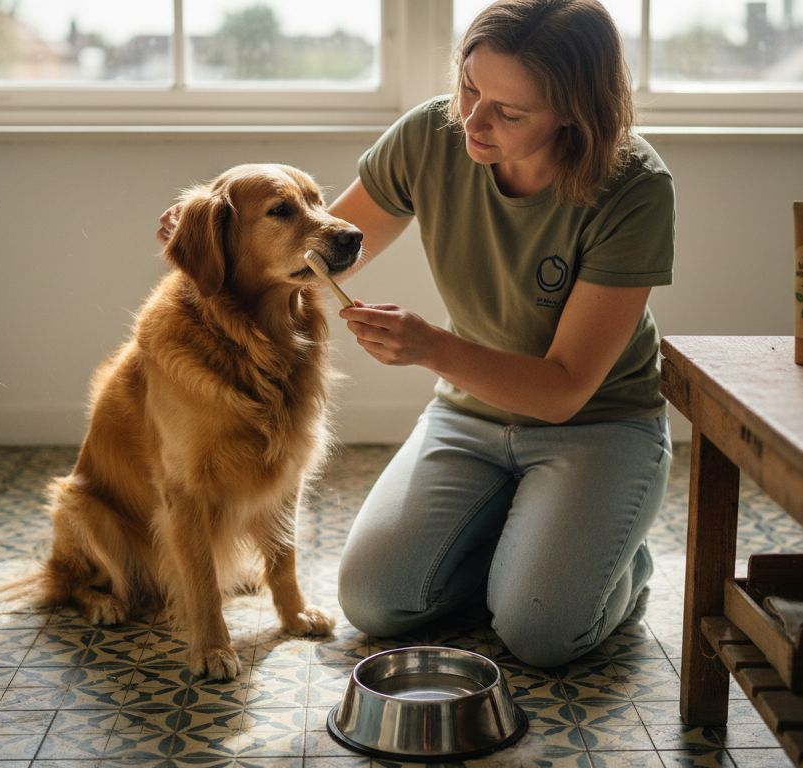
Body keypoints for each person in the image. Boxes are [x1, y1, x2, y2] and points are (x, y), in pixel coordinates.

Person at [161, 0, 675, 668]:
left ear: (574, 114)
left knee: (542, 634)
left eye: (509, 112)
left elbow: (564, 391)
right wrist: (206, 239)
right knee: (376, 602)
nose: (473, 120)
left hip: (596, 425)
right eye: (469, 87)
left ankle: (614, 562)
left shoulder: (634, 187)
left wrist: (431, 347)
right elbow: (318, 254)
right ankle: (530, 547)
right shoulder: (433, 134)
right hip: (470, 417)